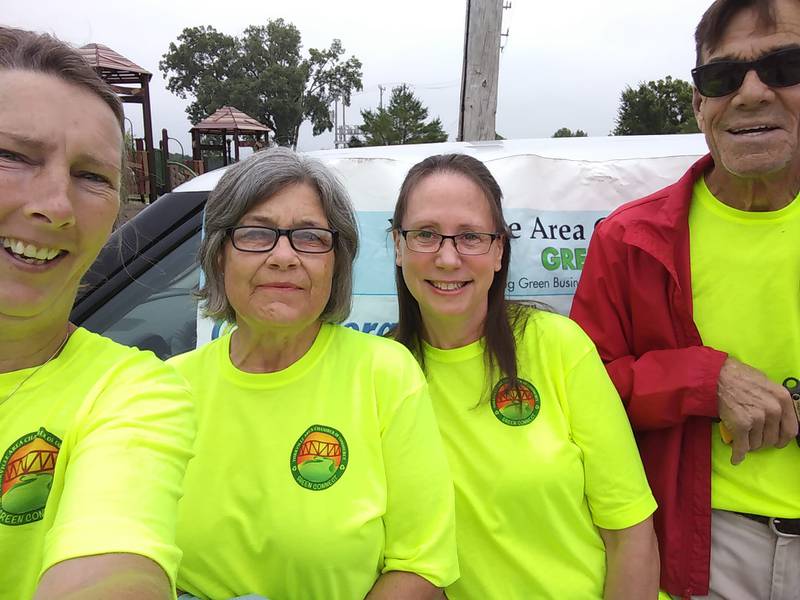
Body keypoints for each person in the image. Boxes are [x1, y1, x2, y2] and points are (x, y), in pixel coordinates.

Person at [570, 1, 800, 597]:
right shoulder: (629, 239)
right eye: (722, 77)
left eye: (785, 66)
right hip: (705, 550)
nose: (751, 93)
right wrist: (705, 379)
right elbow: (584, 394)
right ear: (699, 104)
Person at [170, 147, 458, 600]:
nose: (284, 256)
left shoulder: (383, 373)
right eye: (257, 233)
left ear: (336, 262)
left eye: (308, 237)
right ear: (219, 255)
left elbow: (421, 567)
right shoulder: (167, 389)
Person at [390, 153, 659, 600]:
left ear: (499, 251)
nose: (448, 257)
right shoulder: (384, 373)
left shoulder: (558, 346)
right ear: (398, 248)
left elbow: (629, 530)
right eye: (425, 235)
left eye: (471, 236)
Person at [0, 27, 196, 600]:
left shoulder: (133, 394)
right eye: (12, 156)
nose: (56, 206)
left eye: (91, 176)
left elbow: (117, 562)